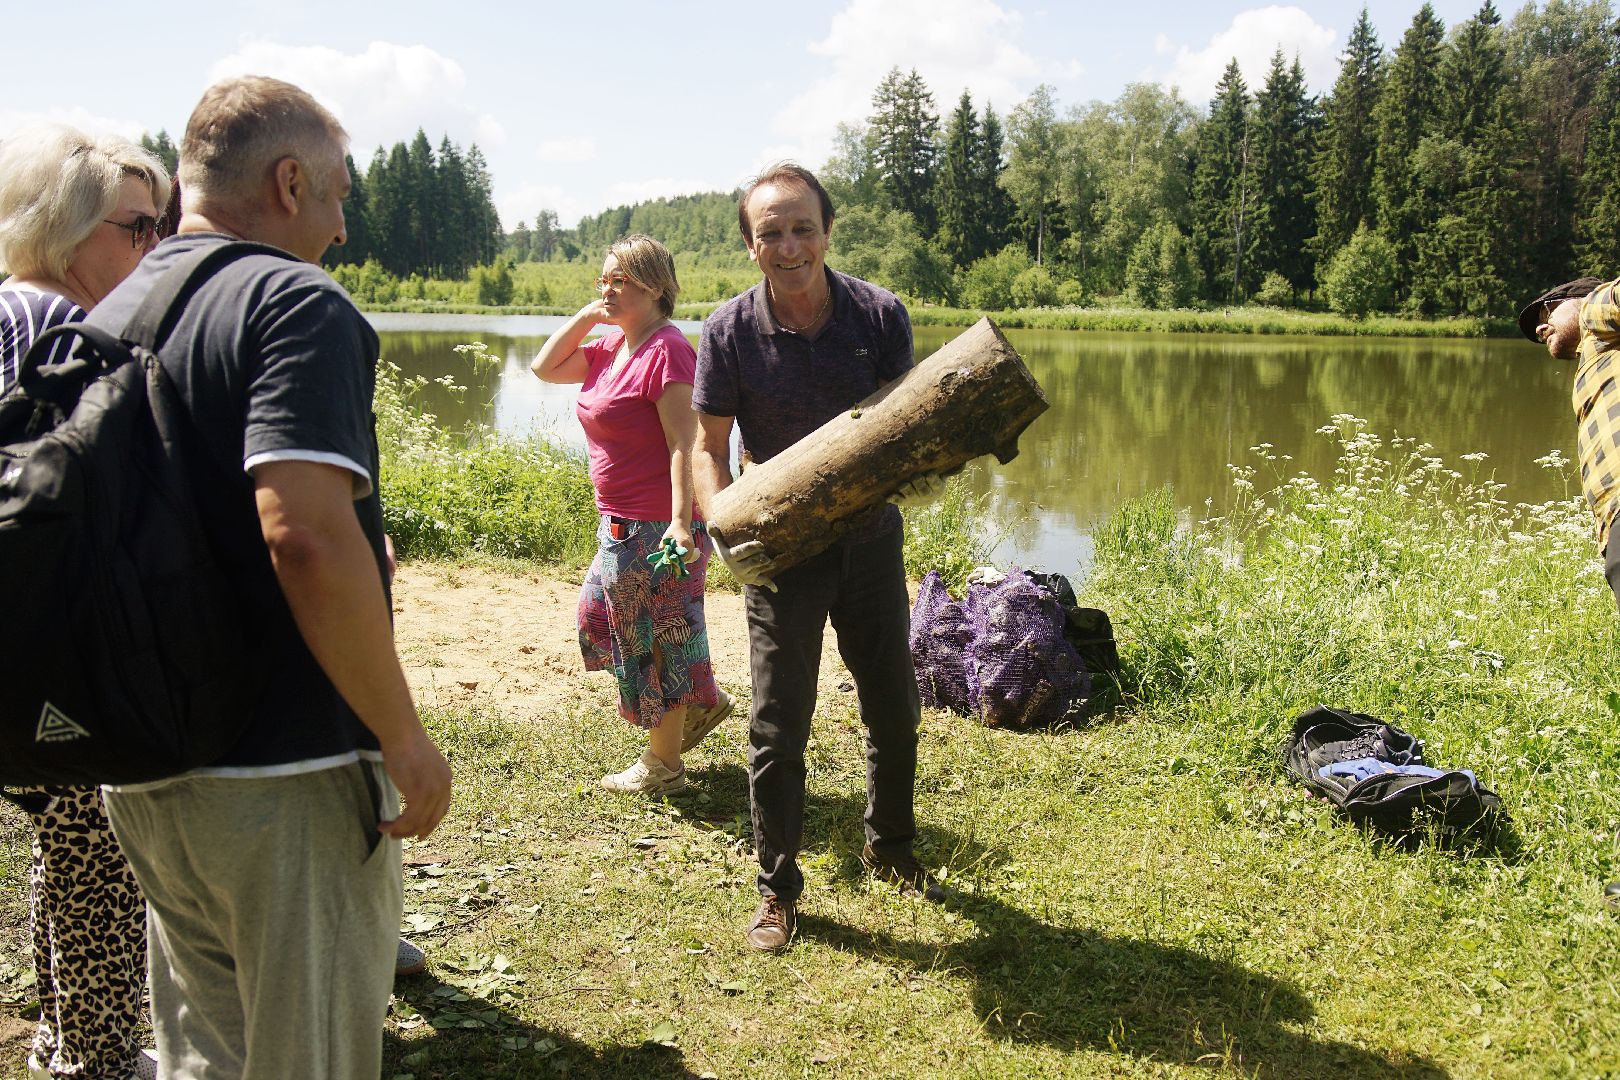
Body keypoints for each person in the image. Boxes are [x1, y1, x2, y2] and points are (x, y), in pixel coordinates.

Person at [86, 75, 452, 1079]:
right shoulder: (295, 301)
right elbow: (305, 535)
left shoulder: (115, 307)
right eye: (336, 195)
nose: (340, 226)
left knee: (210, 1053)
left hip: (147, 763)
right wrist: (400, 734)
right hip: (286, 769)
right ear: (289, 183)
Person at [691, 163, 947, 954]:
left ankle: (892, 846)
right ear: (750, 244)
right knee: (777, 723)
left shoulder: (879, 315)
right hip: (781, 551)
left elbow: (909, 425)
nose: (788, 244)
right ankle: (777, 890)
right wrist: (724, 523)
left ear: (828, 232)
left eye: (802, 227)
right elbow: (706, 446)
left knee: (893, 705)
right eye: (770, 231)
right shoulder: (728, 330)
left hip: (869, 541)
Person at [0, 123, 171, 1080]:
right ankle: (99, 1063)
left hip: (18, 647)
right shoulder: (61, 328)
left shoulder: (4, 312)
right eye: (137, 228)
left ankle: (64, 1036)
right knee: (104, 864)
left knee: (60, 840)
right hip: (58, 644)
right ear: (67, 231)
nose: (155, 248)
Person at [532, 234, 732, 795]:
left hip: (656, 526)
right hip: (617, 522)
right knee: (599, 619)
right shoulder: (609, 349)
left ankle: (663, 764)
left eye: (620, 280)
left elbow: (682, 443)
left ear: (656, 288)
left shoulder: (667, 350)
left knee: (659, 637)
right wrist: (587, 314)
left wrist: (680, 523)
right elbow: (545, 368)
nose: (607, 289)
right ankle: (699, 702)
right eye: (604, 279)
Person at [1520, 275, 1620, 901]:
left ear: (1583, 302)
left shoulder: (1606, 322)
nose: (1539, 327)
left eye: (1546, 311)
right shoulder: (1598, 360)